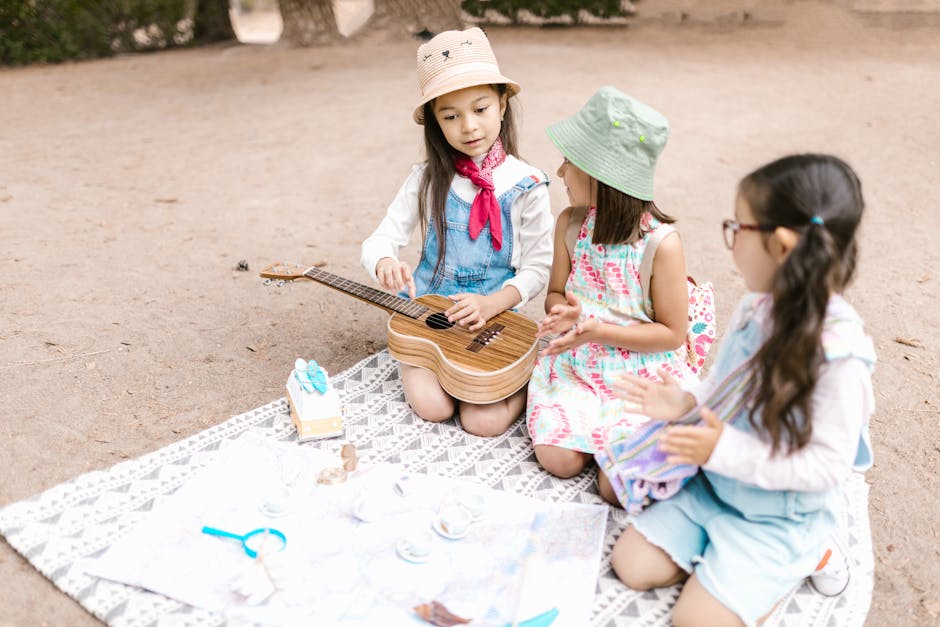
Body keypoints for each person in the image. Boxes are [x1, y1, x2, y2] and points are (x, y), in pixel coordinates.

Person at [608, 154, 875, 626]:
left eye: (737, 228)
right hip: (717, 486)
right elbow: (724, 385)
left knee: (694, 621)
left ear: (783, 246)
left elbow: (826, 466)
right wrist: (686, 402)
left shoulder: (839, 358)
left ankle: (813, 552)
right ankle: (724, 565)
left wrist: (721, 448)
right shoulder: (755, 308)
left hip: (778, 516)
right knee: (630, 566)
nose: (729, 241)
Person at [360, 27, 553, 437]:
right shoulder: (427, 179)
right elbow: (379, 240)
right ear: (435, 122)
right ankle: (424, 359)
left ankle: (528, 371)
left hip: (492, 319)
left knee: (484, 422)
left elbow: (540, 266)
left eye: (480, 108)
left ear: (502, 103)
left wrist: (494, 303)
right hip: (427, 318)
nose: (469, 126)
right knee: (433, 407)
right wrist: (385, 262)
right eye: (450, 116)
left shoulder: (528, 183)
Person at [526, 86, 699, 478]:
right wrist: (562, 312)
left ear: (601, 174)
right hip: (577, 362)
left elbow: (672, 333)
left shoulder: (661, 244)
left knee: (617, 481)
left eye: (569, 161)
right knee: (559, 461)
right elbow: (555, 293)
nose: (560, 172)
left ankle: (620, 449)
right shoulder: (570, 224)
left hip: (641, 370)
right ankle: (589, 437)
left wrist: (599, 330)